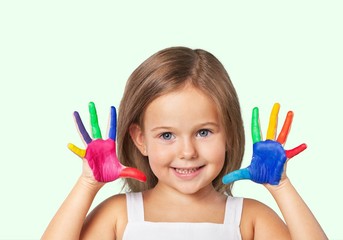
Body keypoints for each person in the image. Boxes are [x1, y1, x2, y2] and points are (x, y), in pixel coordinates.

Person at [42, 46, 327, 239]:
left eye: (204, 132)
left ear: (228, 133)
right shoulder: (120, 215)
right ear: (140, 139)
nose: (188, 152)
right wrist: (87, 185)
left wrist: (282, 188)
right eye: (167, 135)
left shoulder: (247, 218)